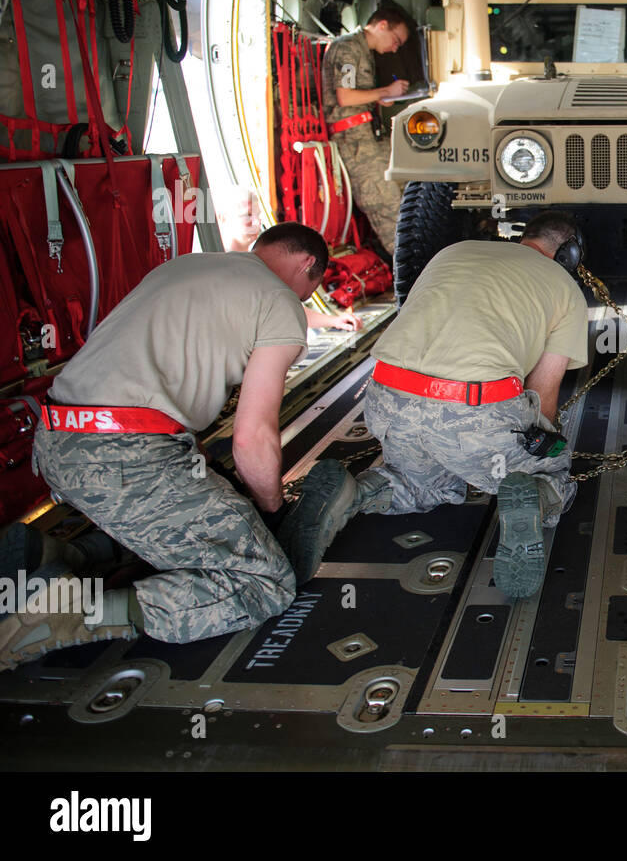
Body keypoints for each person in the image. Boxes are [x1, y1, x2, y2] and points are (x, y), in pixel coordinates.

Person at [0, 224, 331, 669]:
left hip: (58, 443)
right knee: (263, 580)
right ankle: (69, 614)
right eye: (309, 291)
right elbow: (252, 439)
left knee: (179, 519)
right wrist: (270, 510)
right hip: (125, 457)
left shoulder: (187, 265)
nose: (303, 301)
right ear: (307, 265)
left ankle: (61, 556)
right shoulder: (280, 304)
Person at [279, 212, 589, 599]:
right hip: (473, 410)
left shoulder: (453, 251)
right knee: (553, 471)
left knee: (424, 484)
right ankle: (535, 496)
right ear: (570, 255)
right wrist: (542, 449)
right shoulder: (565, 288)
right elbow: (543, 394)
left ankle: (354, 493)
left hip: (386, 397)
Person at [321, 5, 416, 256]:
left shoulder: (362, 50)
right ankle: (413, 276)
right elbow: (344, 97)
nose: (395, 48)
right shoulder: (347, 47)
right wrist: (386, 91)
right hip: (355, 142)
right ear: (382, 25)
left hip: (369, 137)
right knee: (387, 209)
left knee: (408, 198)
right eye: (396, 40)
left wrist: (377, 99)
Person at [214, 184, 362, 332]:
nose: (257, 223)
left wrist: (333, 320)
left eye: (258, 215)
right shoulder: (221, 272)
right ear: (222, 218)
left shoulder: (256, 264)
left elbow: (283, 308)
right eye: (247, 215)